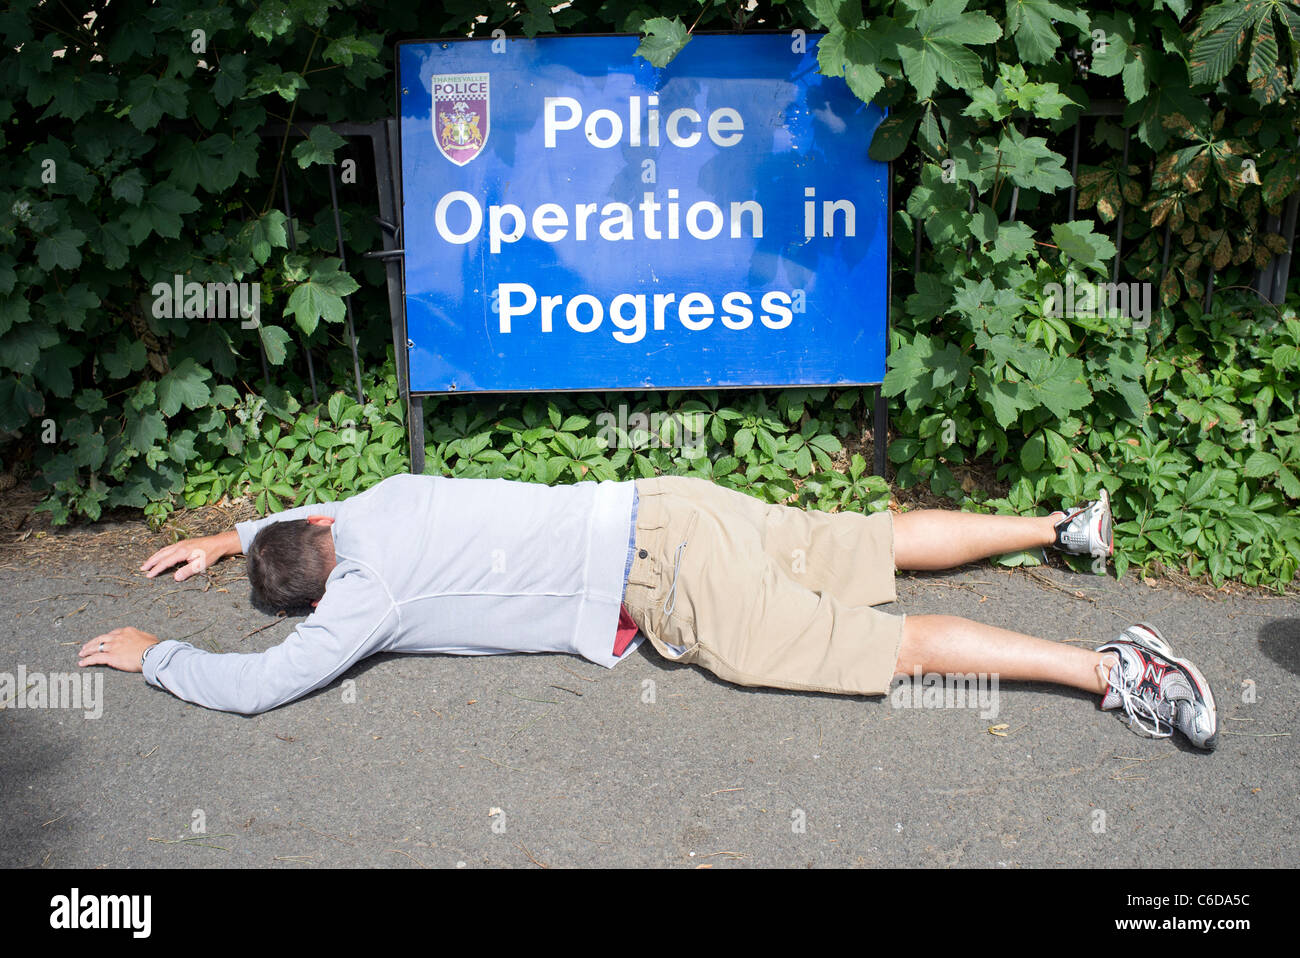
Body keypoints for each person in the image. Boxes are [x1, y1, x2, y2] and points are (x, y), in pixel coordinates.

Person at [77, 473, 1218, 750]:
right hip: (668, 503)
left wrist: (158, 654)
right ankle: (1061, 528)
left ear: (321, 585)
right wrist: (229, 534)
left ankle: (1110, 669)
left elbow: (266, 680)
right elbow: (307, 507)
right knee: (861, 541)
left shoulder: (356, 603)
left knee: (884, 647)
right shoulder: (376, 504)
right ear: (320, 538)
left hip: (668, 585)